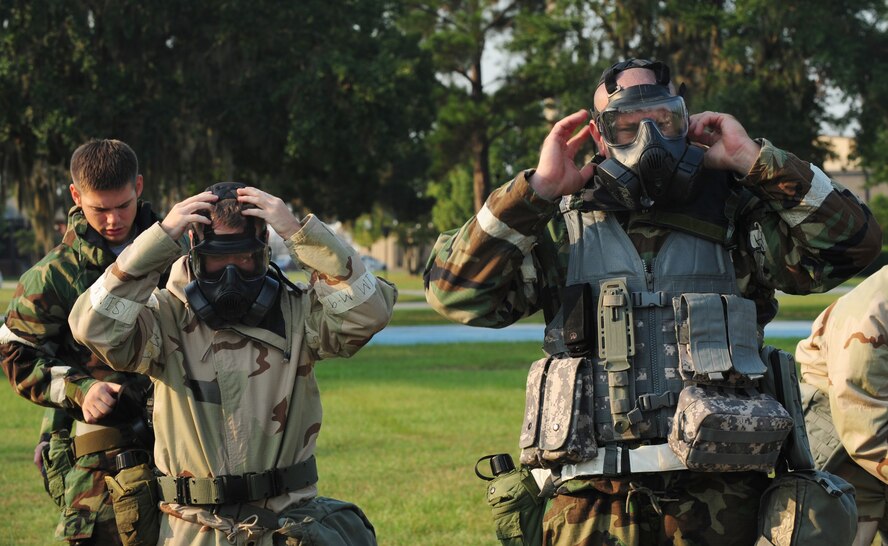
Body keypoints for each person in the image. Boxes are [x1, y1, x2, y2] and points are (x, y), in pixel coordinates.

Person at [424, 58, 882, 545]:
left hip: (725, 501)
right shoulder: (558, 225)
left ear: (685, 122)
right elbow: (455, 293)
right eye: (625, 124)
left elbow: (854, 246)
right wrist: (534, 192)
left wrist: (755, 161)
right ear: (598, 136)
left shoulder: (737, 215)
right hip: (587, 502)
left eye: (663, 119)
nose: (648, 137)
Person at [68, 182, 397, 545]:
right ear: (193, 251)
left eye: (243, 260)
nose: (231, 278)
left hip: (286, 526)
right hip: (192, 530)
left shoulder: (298, 313)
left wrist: (298, 232)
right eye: (216, 261)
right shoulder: (164, 318)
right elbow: (91, 326)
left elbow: (369, 312)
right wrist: (159, 239)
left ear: (264, 255)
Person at [0, 139, 161, 545]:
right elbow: (17, 355)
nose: (112, 220)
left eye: (122, 205)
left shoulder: (175, 256)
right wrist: (80, 390)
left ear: (138, 187)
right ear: (75, 196)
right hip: (103, 463)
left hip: (188, 451)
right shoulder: (52, 276)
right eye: (99, 209)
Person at [796, 265, 888, 546]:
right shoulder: (872, 318)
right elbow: (864, 431)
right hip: (841, 427)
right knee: (844, 533)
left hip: (870, 417)